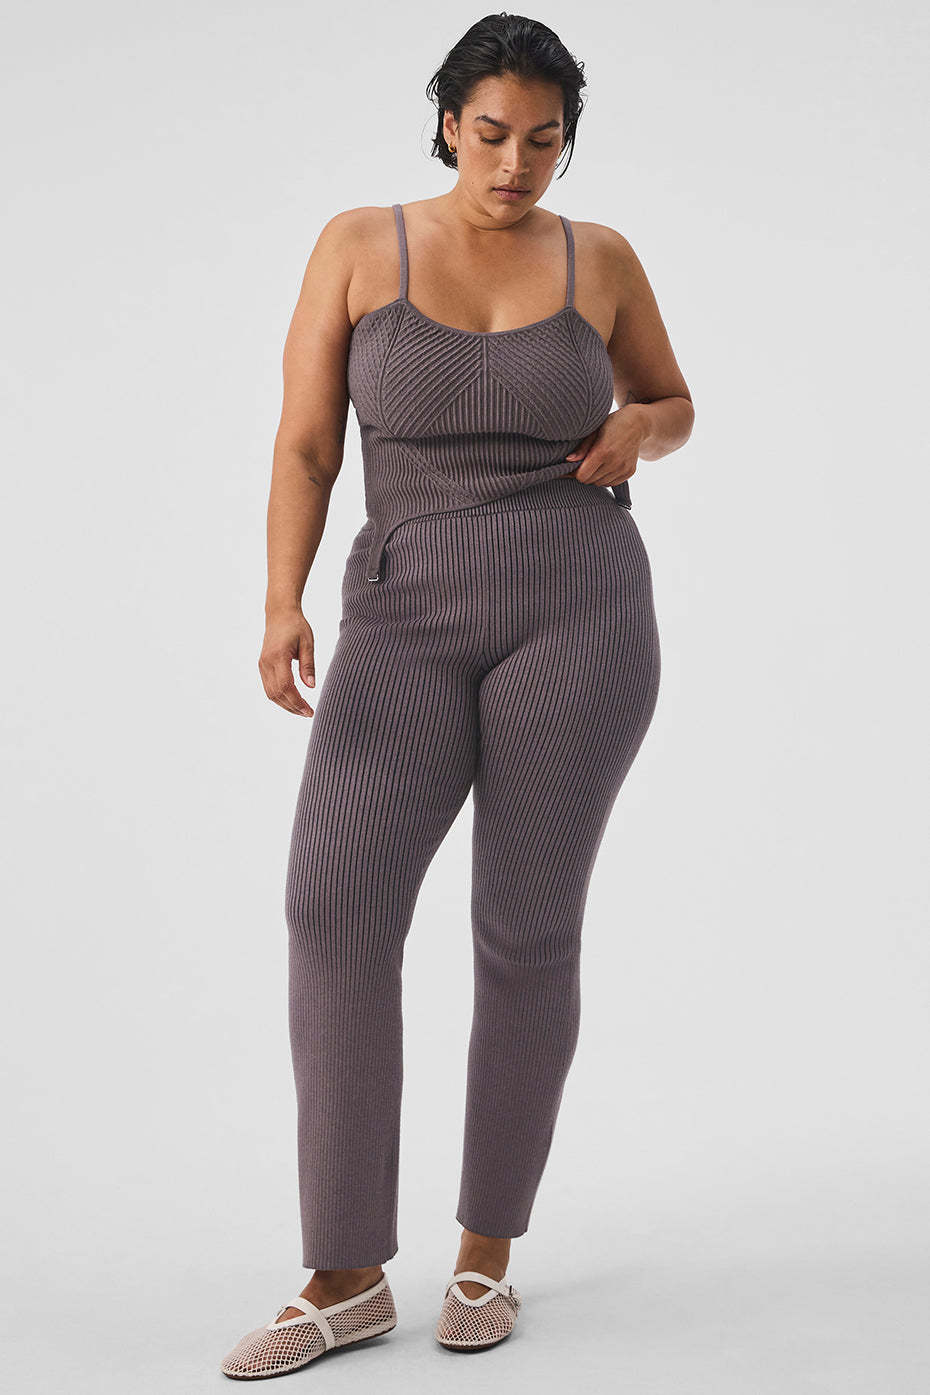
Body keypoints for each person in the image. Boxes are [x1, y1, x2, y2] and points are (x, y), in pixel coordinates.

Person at [221, 12, 693, 1381]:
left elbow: (673, 402)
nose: (513, 166)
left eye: (543, 141)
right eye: (490, 134)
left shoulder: (600, 258)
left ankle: (486, 1251)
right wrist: (280, 600)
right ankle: (345, 1272)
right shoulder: (359, 244)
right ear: (445, 123)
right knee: (332, 904)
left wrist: (640, 430)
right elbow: (307, 444)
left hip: (579, 610)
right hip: (405, 610)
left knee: (526, 931)